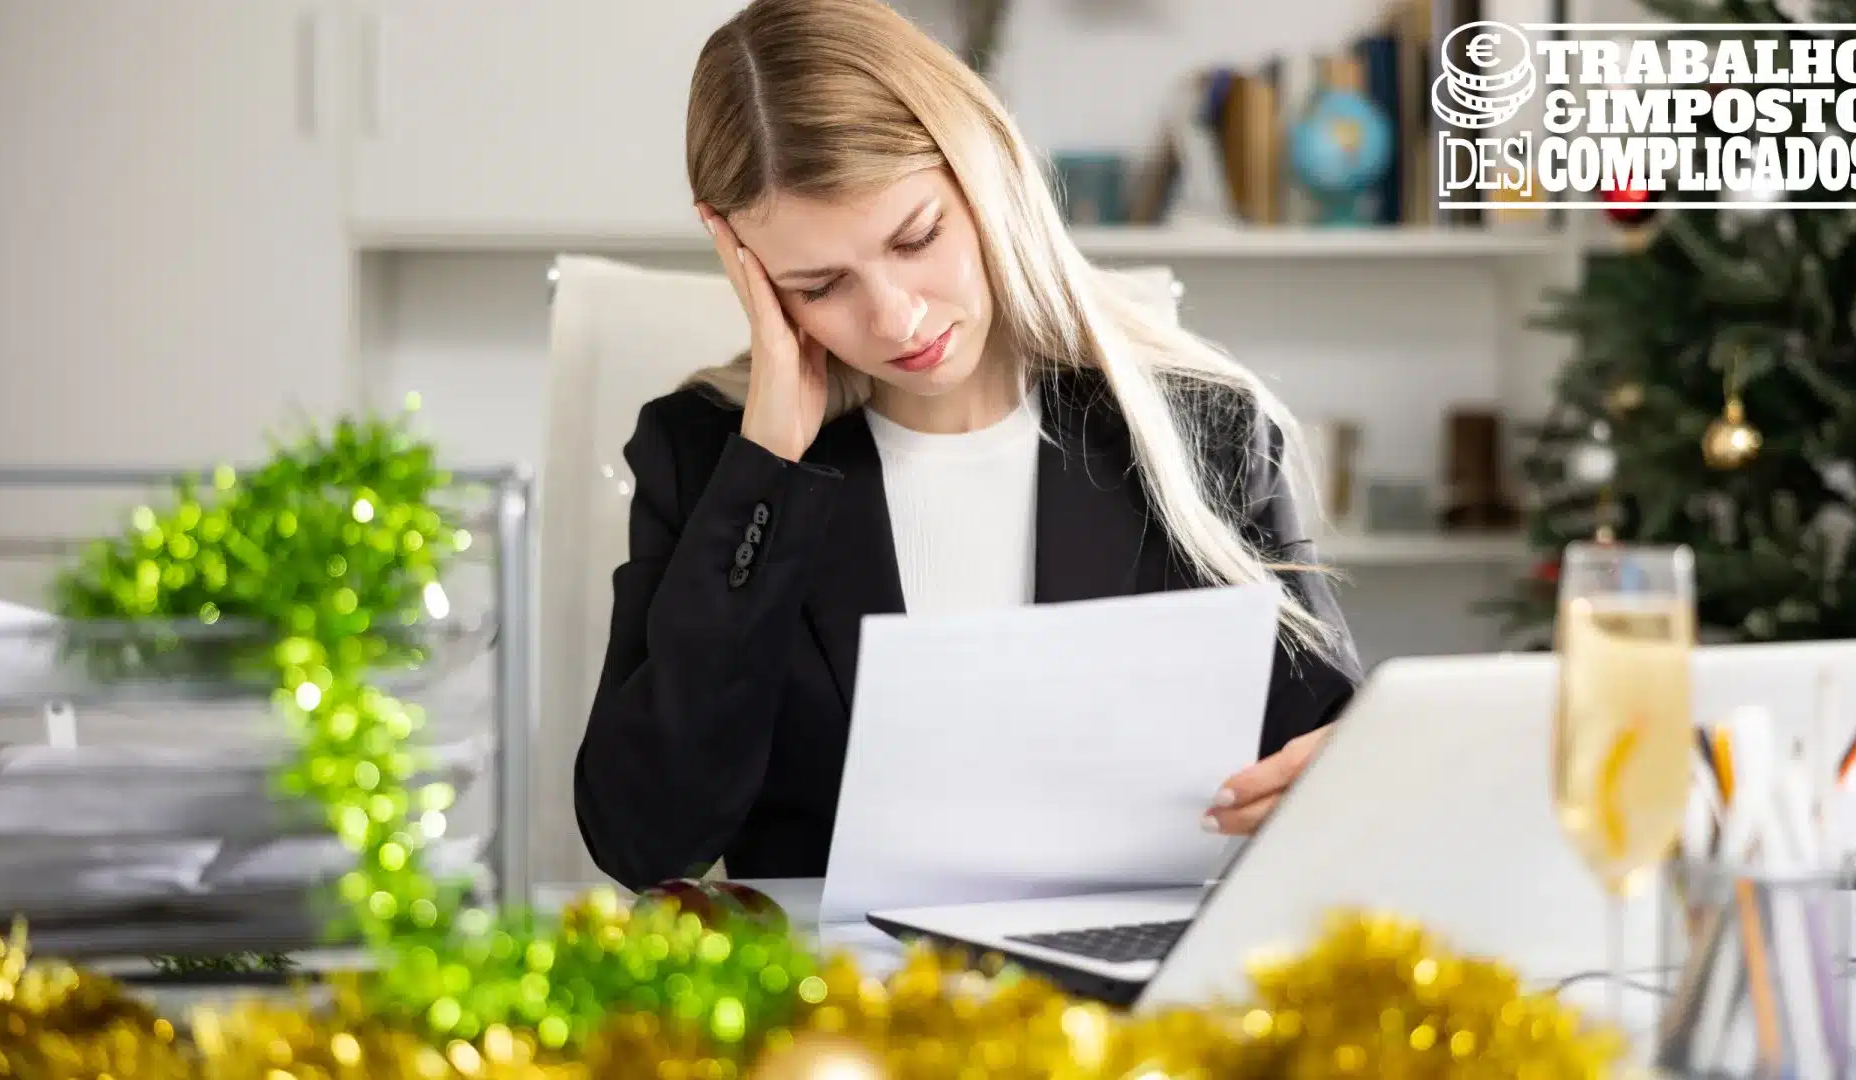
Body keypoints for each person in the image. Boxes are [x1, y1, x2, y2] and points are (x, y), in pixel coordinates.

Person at [574, 0, 1364, 891]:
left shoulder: (1202, 430)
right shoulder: (709, 460)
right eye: (819, 285)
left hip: (1127, 967)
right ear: (750, 273)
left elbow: (1334, 747)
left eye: (916, 239)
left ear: (986, 175)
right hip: (833, 978)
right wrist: (766, 466)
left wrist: (1337, 768)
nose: (895, 318)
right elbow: (645, 842)